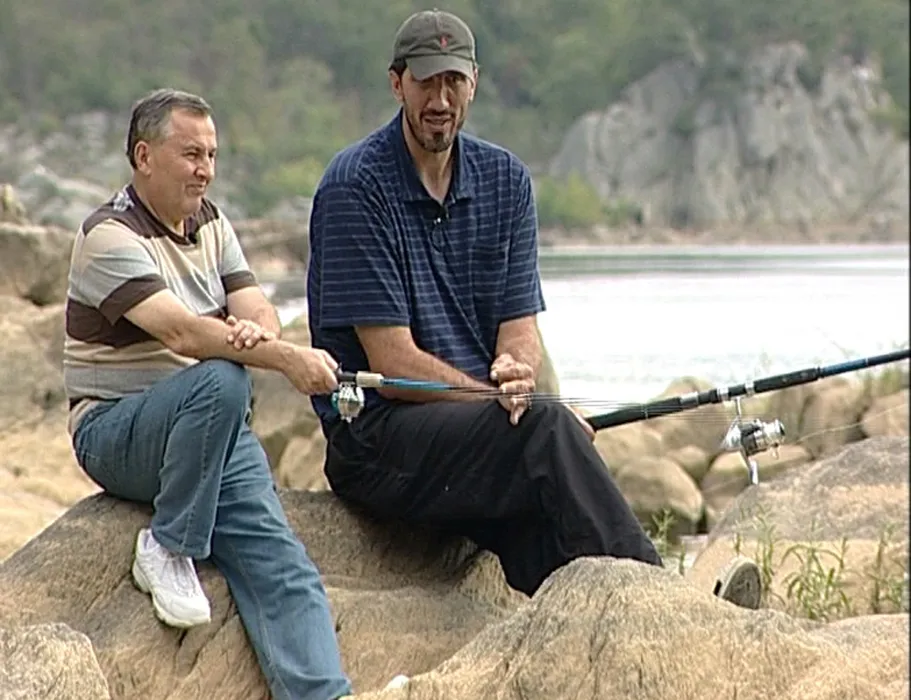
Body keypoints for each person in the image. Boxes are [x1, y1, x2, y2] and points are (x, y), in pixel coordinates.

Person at [307, 9, 763, 613]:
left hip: (475, 437)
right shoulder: (356, 186)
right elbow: (392, 366)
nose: (440, 100)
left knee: (551, 534)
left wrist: (516, 372)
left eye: (453, 81)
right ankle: (677, 610)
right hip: (377, 440)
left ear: (474, 82)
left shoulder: (506, 180)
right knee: (546, 433)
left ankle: (633, 618)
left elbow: (520, 330)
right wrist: (507, 405)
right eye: (425, 83)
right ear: (397, 84)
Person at [64, 88, 353, 700]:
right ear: (144, 157)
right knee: (224, 379)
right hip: (116, 430)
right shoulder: (107, 236)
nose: (206, 170)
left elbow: (255, 307)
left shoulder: (212, 224)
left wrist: (258, 333)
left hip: (211, 427)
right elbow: (184, 334)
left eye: (212, 155)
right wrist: (283, 359)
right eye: (191, 154)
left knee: (285, 567)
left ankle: (325, 694)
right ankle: (169, 545)